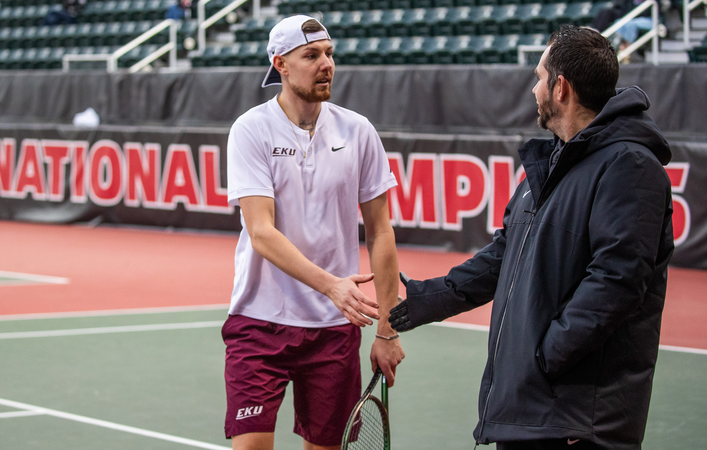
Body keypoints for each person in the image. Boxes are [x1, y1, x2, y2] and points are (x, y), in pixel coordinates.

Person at [389, 25, 673, 450]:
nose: (533, 88)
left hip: (574, 421)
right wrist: (424, 298)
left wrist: (545, 356)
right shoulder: (552, 163)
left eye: (539, 77)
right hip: (533, 411)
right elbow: (506, 254)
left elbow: (617, 280)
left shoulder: (630, 165)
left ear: (561, 88)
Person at [223, 15, 405, 450]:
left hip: (333, 330)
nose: (326, 64)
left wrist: (387, 328)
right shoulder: (251, 130)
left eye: (329, 54)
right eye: (311, 56)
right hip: (259, 321)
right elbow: (261, 232)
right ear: (280, 64)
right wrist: (332, 287)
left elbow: (380, 233)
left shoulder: (357, 131)